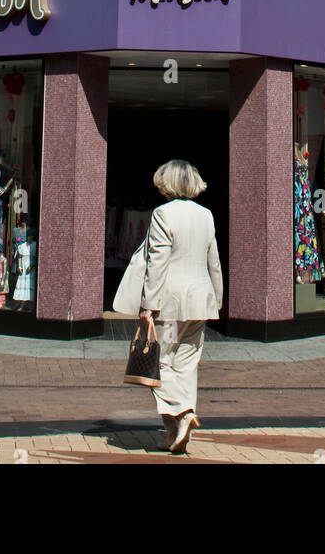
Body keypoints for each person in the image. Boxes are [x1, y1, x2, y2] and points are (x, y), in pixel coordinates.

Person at [138, 159, 223, 456]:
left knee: (158, 365)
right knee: (186, 365)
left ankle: (183, 414)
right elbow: (214, 260)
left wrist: (148, 304)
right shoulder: (206, 215)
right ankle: (174, 432)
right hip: (201, 299)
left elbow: (157, 261)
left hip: (169, 301)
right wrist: (218, 297)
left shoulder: (163, 213)